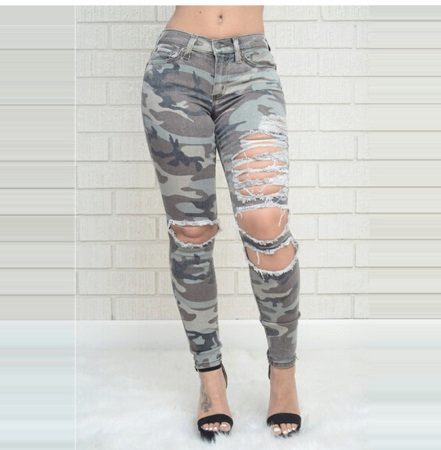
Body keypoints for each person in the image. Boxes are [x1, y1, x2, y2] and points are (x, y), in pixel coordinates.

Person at [141, 5, 301, 441]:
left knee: (266, 223)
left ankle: (283, 371)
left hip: (251, 70)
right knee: (190, 230)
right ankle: (210, 377)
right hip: (175, 68)